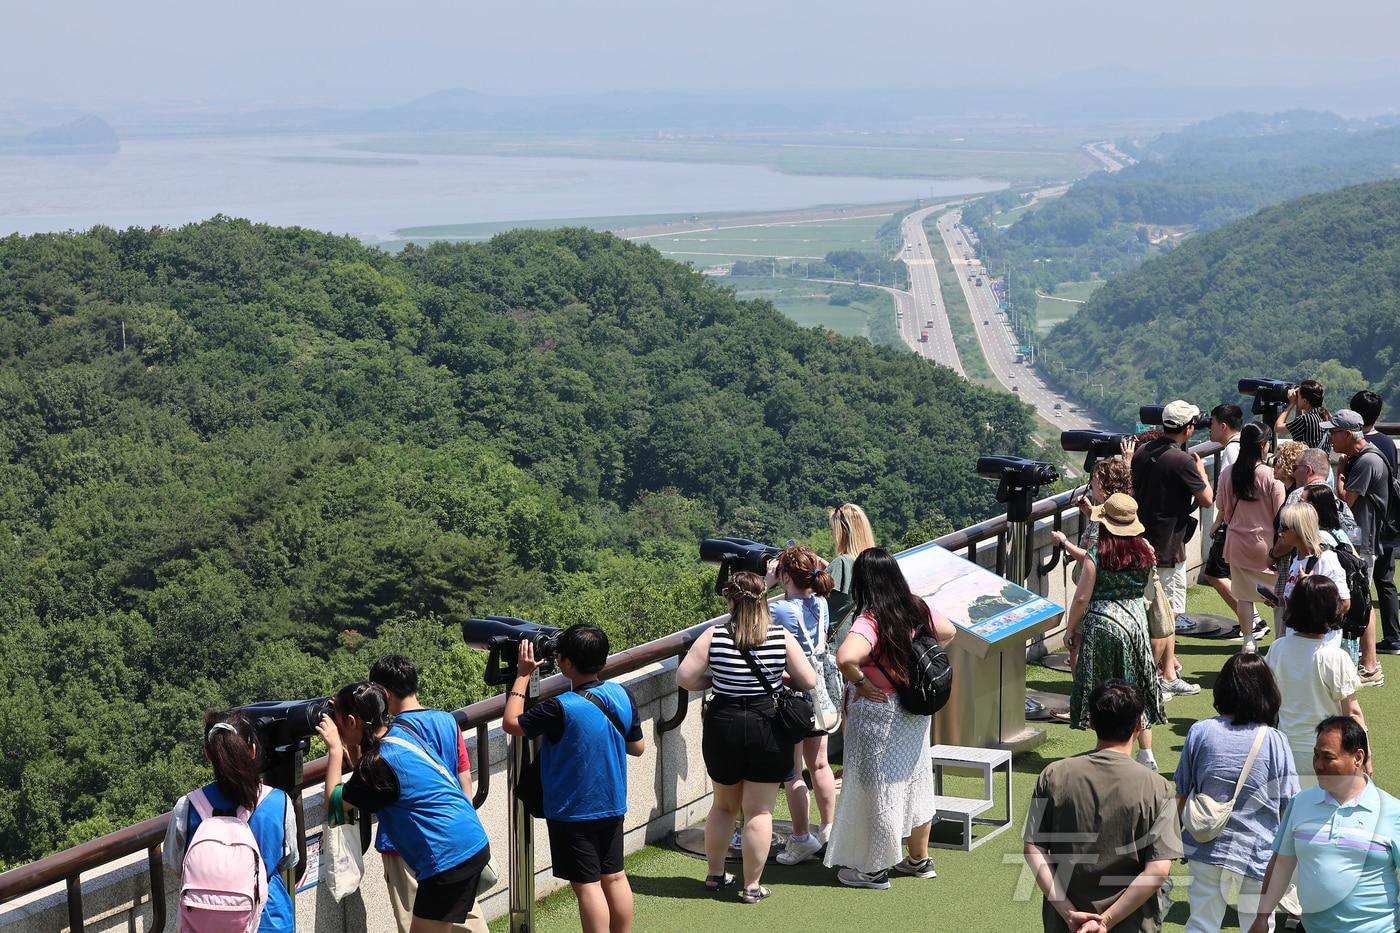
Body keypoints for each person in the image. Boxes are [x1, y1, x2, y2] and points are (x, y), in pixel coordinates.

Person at [676, 570, 815, 904]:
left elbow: (685, 677)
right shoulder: (780, 636)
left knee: (723, 806)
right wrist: (780, 678)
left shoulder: (715, 635)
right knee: (759, 811)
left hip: (723, 722)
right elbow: (807, 680)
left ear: (730, 600)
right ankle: (752, 886)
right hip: (767, 724)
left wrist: (713, 681)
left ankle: (714, 874)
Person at [824, 547, 955, 889]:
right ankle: (918, 859)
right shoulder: (915, 606)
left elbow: (845, 657)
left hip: (879, 711)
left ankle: (873, 870)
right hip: (913, 710)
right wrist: (914, 656)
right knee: (915, 779)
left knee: (877, 789)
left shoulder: (871, 617)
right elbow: (948, 631)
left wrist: (861, 682)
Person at [503, 625, 645, 933]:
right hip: (611, 802)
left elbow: (512, 723)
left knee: (587, 886)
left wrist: (522, 675)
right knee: (615, 877)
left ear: (565, 664)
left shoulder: (559, 707)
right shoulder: (621, 694)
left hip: (572, 810)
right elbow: (637, 747)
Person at [319, 683, 492, 933]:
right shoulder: (400, 732)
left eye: (338, 719)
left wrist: (335, 749)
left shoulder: (377, 766)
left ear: (350, 721)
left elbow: (333, 801)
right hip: (468, 841)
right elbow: (368, 776)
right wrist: (348, 734)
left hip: (447, 858)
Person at [1024, 680, 1183, 932]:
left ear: (1091, 722)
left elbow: (1033, 848)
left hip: (1066, 925)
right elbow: (1159, 869)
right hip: (1131, 924)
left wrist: (1068, 913)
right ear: (1140, 724)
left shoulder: (1052, 775)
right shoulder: (1158, 788)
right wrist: (1105, 921)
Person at [1175, 653, 1299, 933]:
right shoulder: (1275, 740)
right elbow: (1288, 804)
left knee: (1201, 923)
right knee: (1257, 924)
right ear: (1267, 692)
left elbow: (1182, 791)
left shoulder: (1201, 731)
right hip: (1258, 850)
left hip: (1206, 843)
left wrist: (1174, 839)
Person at [370, 655, 488, 933]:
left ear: (384, 694)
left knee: (415, 920)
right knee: (465, 917)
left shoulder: (389, 737)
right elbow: (464, 773)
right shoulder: (447, 720)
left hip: (406, 842)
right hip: (453, 841)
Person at [1249, 717, 1400, 933]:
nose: (1318, 765)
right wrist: (1262, 918)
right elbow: (1282, 863)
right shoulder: (1300, 803)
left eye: (1328, 757)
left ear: (1358, 757)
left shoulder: (1392, 812)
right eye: (1316, 755)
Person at [164, 711, 299, 933]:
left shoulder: (187, 806)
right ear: (253, 750)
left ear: (208, 754)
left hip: (204, 922)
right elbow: (289, 859)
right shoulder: (279, 802)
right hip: (269, 920)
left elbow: (176, 864)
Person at [1057, 493, 1165, 770]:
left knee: (1104, 690)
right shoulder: (1145, 549)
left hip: (1103, 626)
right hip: (1136, 622)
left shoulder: (1098, 554)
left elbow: (1082, 597)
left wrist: (1070, 630)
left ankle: (1103, 752)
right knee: (1136, 686)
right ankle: (1147, 754)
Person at [1131, 400, 1212, 696]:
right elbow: (1206, 499)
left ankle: (1167, 672)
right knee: (1162, 616)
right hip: (1167, 546)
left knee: (1165, 613)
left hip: (1145, 539)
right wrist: (1201, 472)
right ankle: (1154, 679)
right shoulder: (1181, 461)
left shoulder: (1143, 452)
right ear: (1189, 429)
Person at [767, 545, 838, 866]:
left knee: (793, 772)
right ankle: (829, 829)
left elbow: (745, 619)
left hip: (794, 696)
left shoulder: (782, 611)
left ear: (784, 576)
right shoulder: (822, 604)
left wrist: (767, 583)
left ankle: (800, 839)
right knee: (820, 764)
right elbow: (824, 574)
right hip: (822, 693)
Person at [1263, 576, 1366, 788]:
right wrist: (1367, 756)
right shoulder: (1336, 657)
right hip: (1328, 754)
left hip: (1284, 749)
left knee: (1289, 815)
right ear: (1332, 609)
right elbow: (1352, 712)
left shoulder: (1277, 648)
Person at [1328, 409, 1386, 686]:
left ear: (1347, 435)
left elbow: (1346, 502)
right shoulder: (1363, 456)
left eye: (1333, 432)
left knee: (1362, 598)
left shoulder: (1365, 462)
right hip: (1361, 536)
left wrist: (1339, 475)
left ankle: (1370, 665)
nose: (1330, 436)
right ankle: (1366, 661)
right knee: (1361, 596)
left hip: (1363, 538)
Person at [1216, 422, 1286, 649]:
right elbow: (1281, 514)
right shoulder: (1271, 476)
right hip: (1267, 545)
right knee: (1280, 595)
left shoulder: (1228, 473)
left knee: (1244, 595)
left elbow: (1222, 506)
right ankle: (1281, 641)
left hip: (1237, 542)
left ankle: (1248, 640)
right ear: (1263, 445)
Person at [1351, 390, 1400, 655]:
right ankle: (1393, 637)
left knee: (1360, 582)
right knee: (1386, 580)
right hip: (1389, 521)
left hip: (1366, 525)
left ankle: (1360, 642)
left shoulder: (1359, 449)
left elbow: (1351, 494)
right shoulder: (1388, 443)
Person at [1273, 503, 1351, 644]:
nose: (1279, 533)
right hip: (1297, 637)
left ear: (1299, 529)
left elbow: (1344, 604)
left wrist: (1311, 587)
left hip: (1321, 643)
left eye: (1284, 528)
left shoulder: (1326, 559)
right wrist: (1280, 600)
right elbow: (1298, 601)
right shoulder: (1296, 558)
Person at [1204, 404, 1252, 629]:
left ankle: (1253, 622)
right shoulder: (1245, 445)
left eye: (1211, 424)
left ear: (1223, 426)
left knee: (1214, 571)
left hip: (1232, 521)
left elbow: (1227, 489)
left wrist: (1218, 521)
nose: (1209, 429)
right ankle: (1251, 620)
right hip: (1245, 520)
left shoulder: (1232, 450)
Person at [826, 502, 877, 643]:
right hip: (865, 640)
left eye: (833, 529)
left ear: (842, 532)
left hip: (839, 645)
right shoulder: (873, 563)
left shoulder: (841, 563)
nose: (832, 535)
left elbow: (811, 604)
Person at [1274, 379, 1331, 450]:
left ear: (1305, 401)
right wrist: (1298, 404)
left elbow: (1277, 427)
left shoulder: (1305, 420)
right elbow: (1299, 429)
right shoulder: (1323, 416)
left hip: (1308, 460)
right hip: (1320, 459)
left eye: (1298, 396)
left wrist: (1291, 403)